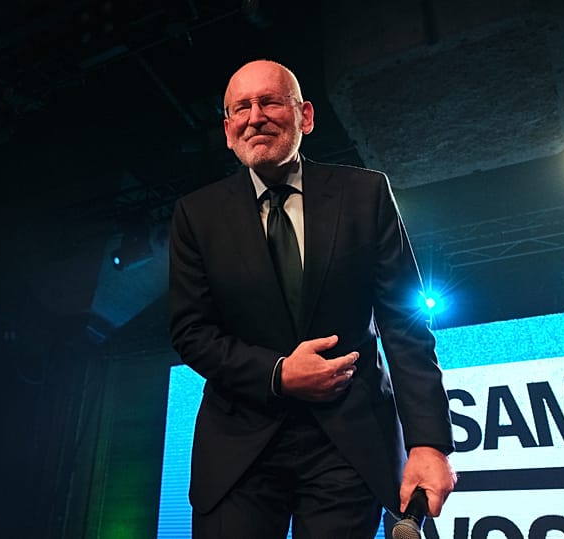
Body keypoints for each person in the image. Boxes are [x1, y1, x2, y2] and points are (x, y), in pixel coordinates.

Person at [168, 59, 456, 539]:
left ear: (305, 116)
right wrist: (279, 374)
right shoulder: (196, 216)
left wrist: (429, 443)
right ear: (227, 129)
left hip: (348, 444)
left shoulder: (365, 194)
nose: (255, 116)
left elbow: (404, 325)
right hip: (239, 446)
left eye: (270, 102)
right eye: (241, 107)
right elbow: (190, 331)